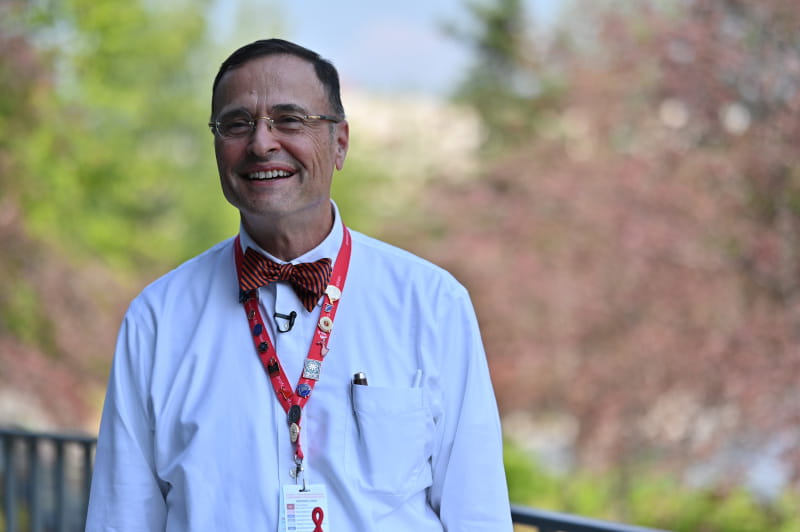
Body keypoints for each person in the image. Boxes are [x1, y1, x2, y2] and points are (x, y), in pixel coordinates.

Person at [86, 38, 512, 531]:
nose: (262, 143)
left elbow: (477, 513)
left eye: (289, 119)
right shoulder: (157, 319)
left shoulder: (432, 303)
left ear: (340, 143)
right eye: (237, 124)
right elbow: (121, 517)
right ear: (217, 147)